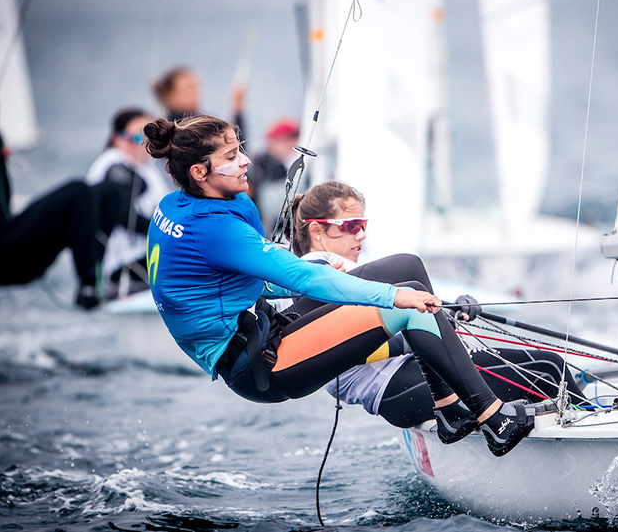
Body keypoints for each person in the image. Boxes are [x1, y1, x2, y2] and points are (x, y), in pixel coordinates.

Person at [143, 114, 534, 457]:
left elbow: (239, 281)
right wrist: (393, 296)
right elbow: (302, 278)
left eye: (240, 148)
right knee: (406, 303)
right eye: (231, 156)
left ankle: (447, 407)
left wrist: (327, 277)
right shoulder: (213, 228)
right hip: (258, 366)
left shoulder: (179, 204)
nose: (246, 160)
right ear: (200, 172)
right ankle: (495, 419)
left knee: (405, 266)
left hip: (262, 330)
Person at [288, 180, 588, 429]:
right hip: (396, 388)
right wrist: (430, 331)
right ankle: (590, 428)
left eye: (363, 224)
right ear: (317, 231)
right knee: (548, 370)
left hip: (408, 378)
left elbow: (398, 307)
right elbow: (346, 351)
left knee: (549, 365)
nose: (362, 234)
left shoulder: (345, 274)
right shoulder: (317, 282)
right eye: (352, 225)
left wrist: (449, 309)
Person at [0, 102, 115, 309]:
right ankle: (89, 287)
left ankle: (112, 279)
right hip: (4, 256)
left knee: (106, 193)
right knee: (78, 192)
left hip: (19, 259)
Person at [86, 108, 172, 297]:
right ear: (117, 139)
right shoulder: (113, 163)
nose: (143, 144)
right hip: (123, 267)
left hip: (149, 257)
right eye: (137, 138)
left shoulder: (147, 169)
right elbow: (122, 213)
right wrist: (170, 233)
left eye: (150, 138)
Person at [152, 67, 245, 134]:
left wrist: (237, 110)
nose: (195, 93)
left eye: (196, 87)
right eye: (189, 88)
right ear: (171, 96)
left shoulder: (204, 121)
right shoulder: (170, 130)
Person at [246, 118, 302, 231]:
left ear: (291, 140)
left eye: (273, 142)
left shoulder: (297, 165)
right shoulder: (268, 164)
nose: (269, 148)